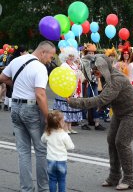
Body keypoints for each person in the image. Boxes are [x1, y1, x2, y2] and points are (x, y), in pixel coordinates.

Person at [67, 54, 133, 190]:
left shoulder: (116, 79)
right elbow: (109, 97)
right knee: (111, 140)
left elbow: (100, 99)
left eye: (96, 69)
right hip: (120, 112)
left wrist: (74, 102)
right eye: (92, 70)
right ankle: (114, 177)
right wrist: (103, 105)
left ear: (104, 67)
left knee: (121, 142)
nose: (93, 72)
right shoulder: (106, 76)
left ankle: (129, 179)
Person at [0, 40, 56, 192]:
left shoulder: (17, 60)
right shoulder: (40, 68)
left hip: (15, 108)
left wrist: (18, 85)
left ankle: (26, 189)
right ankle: (43, 189)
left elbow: (2, 78)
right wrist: (47, 117)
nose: (50, 60)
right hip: (31, 109)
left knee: (23, 151)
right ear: (43, 52)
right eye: (50, 56)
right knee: (41, 150)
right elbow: (40, 94)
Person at [41, 110, 75, 192]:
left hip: (50, 160)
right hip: (61, 161)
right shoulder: (64, 135)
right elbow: (71, 147)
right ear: (60, 123)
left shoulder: (47, 133)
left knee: (52, 180)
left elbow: (42, 140)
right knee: (62, 180)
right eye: (63, 120)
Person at [53, 47, 82, 134]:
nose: (71, 57)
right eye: (70, 56)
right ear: (66, 56)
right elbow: (62, 77)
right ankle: (64, 128)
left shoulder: (74, 65)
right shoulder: (64, 65)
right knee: (65, 109)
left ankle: (69, 127)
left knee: (71, 109)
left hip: (74, 89)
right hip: (65, 89)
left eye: (73, 56)